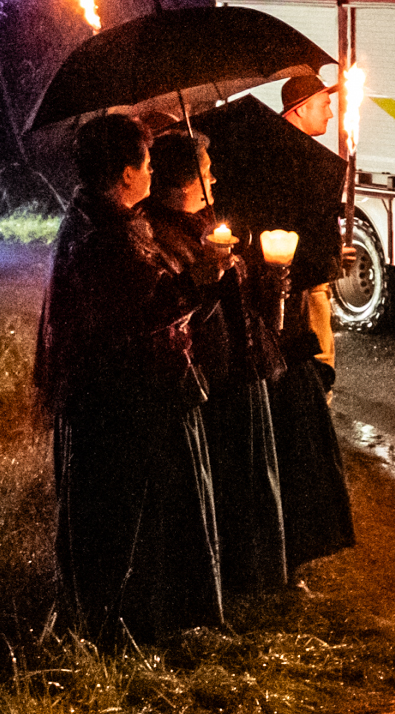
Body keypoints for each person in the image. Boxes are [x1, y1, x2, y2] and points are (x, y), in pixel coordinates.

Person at [34, 114, 231, 643]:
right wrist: (199, 278)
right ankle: (133, 624)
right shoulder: (105, 236)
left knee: (140, 515)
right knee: (132, 519)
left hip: (128, 396)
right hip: (124, 404)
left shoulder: (104, 220)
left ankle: (139, 618)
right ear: (124, 173)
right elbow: (140, 313)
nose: (151, 173)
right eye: (145, 164)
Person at [200, 72, 362, 572]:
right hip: (285, 315)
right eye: (322, 105)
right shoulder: (275, 162)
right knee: (305, 390)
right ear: (296, 110)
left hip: (299, 296)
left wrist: (334, 253)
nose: (330, 113)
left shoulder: (299, 161)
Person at [143, 130, 292, 599]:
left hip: (242, 367)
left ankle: (255, 573)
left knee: (250, 475)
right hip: (208, 379)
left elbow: (242, 304)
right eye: (207, 168)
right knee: (222, 481)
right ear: (188, 180)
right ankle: (226, 577)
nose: (215, 175)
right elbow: (170, 312)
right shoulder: (158, 233)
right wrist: (205, 280)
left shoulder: (208, 226)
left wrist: (269, 281)